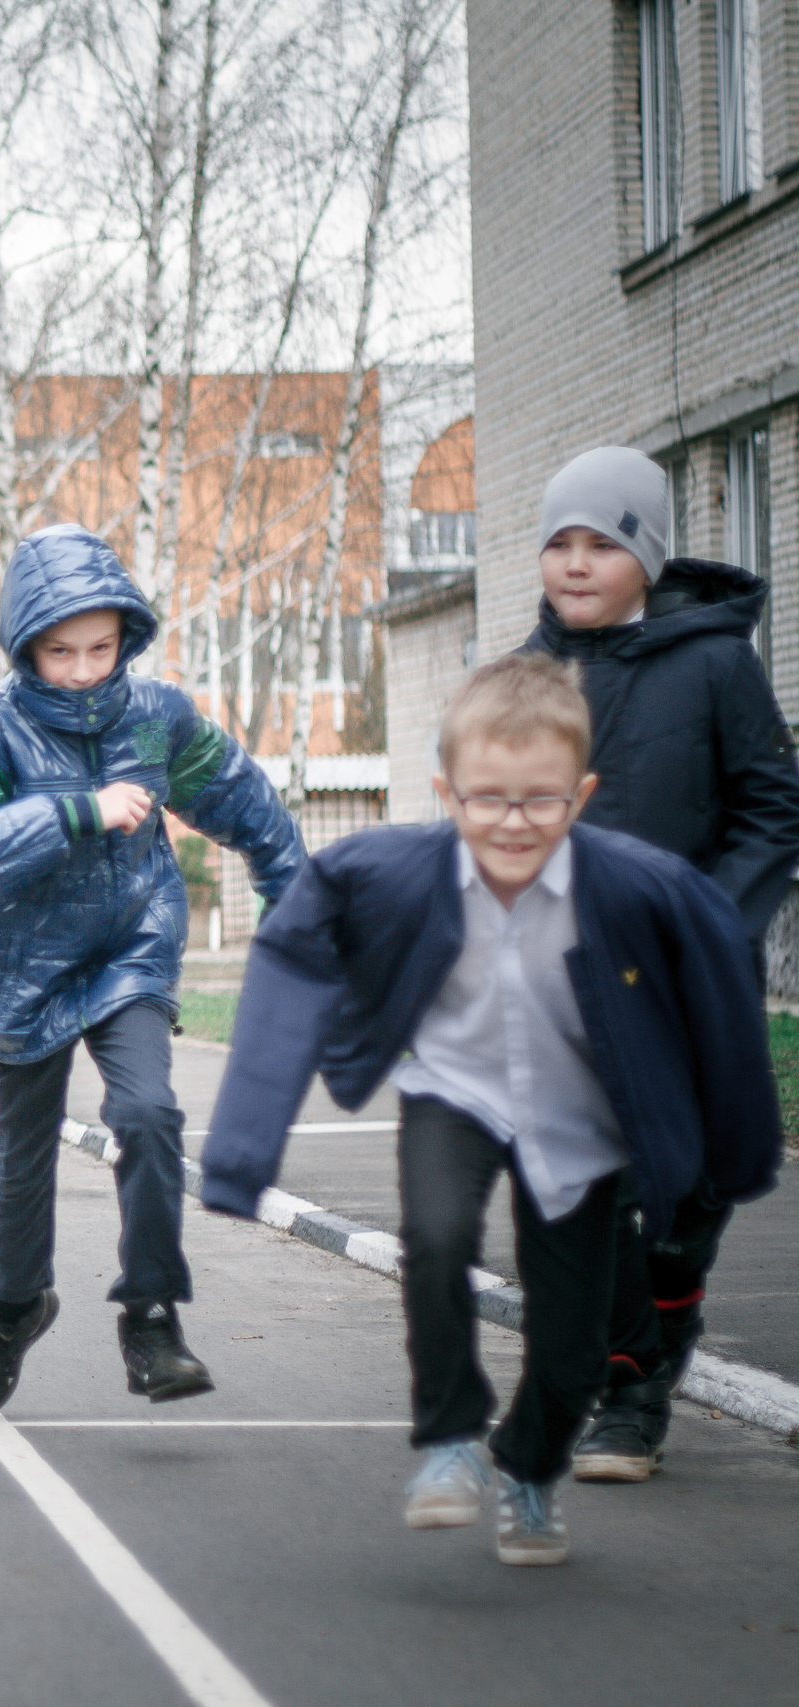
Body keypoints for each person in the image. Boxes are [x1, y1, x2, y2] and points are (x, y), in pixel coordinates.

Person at [200, 652, 779, 1566]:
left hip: (575, 1119)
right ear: (447, 790)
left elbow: (718, 975)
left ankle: (529, 1468)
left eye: (540, 799)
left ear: (581, 793)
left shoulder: (631, 886)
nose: (513, 823)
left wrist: (740, 1149)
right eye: (488, 799)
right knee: (432, 1234)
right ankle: (447, 1437)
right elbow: (295, 947)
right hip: (455, 1092)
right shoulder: (394, 870)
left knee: (576, 1343)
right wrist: (239, 1150)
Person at [0, 524, 304, 1418]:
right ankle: (15, 1308)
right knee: (23, 1160)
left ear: (126, 637)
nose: (85, 667)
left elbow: (245, 799)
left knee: (147, 1111)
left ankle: (150, 1314)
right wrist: (78, 813)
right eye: (61, 651)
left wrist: (293, 906)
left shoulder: (157, 715)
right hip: (23, 965)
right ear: (25, 646)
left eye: (101, 646)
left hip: (133, 944)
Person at [518, 445, 799, 1482]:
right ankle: (630, 1394)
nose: (576, 564)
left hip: (690, 979)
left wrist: (713, 922)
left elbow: (773, 810)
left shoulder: (717, 664)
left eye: (601, 543)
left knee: (683, 1200)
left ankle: (663, 1320)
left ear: (647, 554)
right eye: (558, 544)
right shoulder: (522, 676)